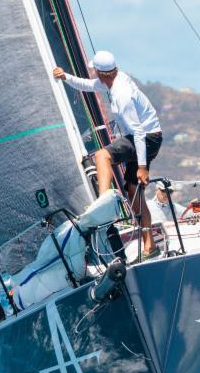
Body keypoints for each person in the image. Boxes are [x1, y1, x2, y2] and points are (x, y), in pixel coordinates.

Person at [53, 51, 162, 259]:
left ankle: (103, 203)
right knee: (133, 192)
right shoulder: (112, 81)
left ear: (102, 73)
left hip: (146, 138)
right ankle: (150, 246)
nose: (94, 73)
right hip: (145, 138)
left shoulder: (121, 93)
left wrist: (142, 167)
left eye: (95, 70)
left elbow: (138, 132)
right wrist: (65, 76)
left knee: (102, 155)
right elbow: (88, 85)